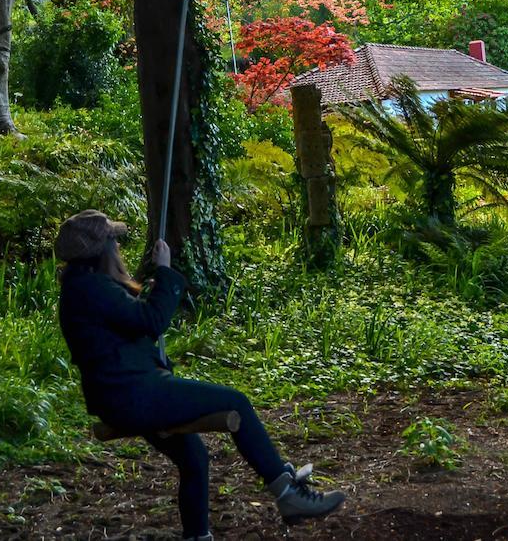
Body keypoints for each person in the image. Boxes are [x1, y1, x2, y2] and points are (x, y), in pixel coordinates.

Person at [55, 210, 345, 541]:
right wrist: (164, 271)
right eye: (113, 240)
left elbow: (132, 324)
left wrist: (155, 288)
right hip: (133, 395)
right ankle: (286, 492)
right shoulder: (90, 288)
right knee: (235, 401)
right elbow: (151, 321)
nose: (118, 246)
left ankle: (198, 536)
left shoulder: (85, 288)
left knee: (194, 458)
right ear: (102, 248)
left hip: (129, 392)